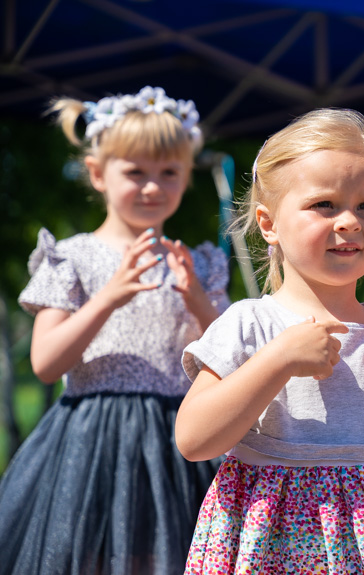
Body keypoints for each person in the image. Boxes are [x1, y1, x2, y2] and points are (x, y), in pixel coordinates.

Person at [174, 108, 364, 574]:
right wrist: (276, 361)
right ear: (268, 224)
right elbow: (193, 439)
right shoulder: (249, 323)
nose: (349, 221)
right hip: (268, 538)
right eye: (324, 204)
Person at [0, 86, 230, 574]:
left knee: (173, 556)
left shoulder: (199, 263)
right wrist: (108, 296)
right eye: (136, 172)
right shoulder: (74, 257)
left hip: (181, 441)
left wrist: (197, 301)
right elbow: (45, 364)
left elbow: (232, 359)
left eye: (169, 172)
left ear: (187, 177)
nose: (153, 186)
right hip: (91, 442)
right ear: (97, 174)